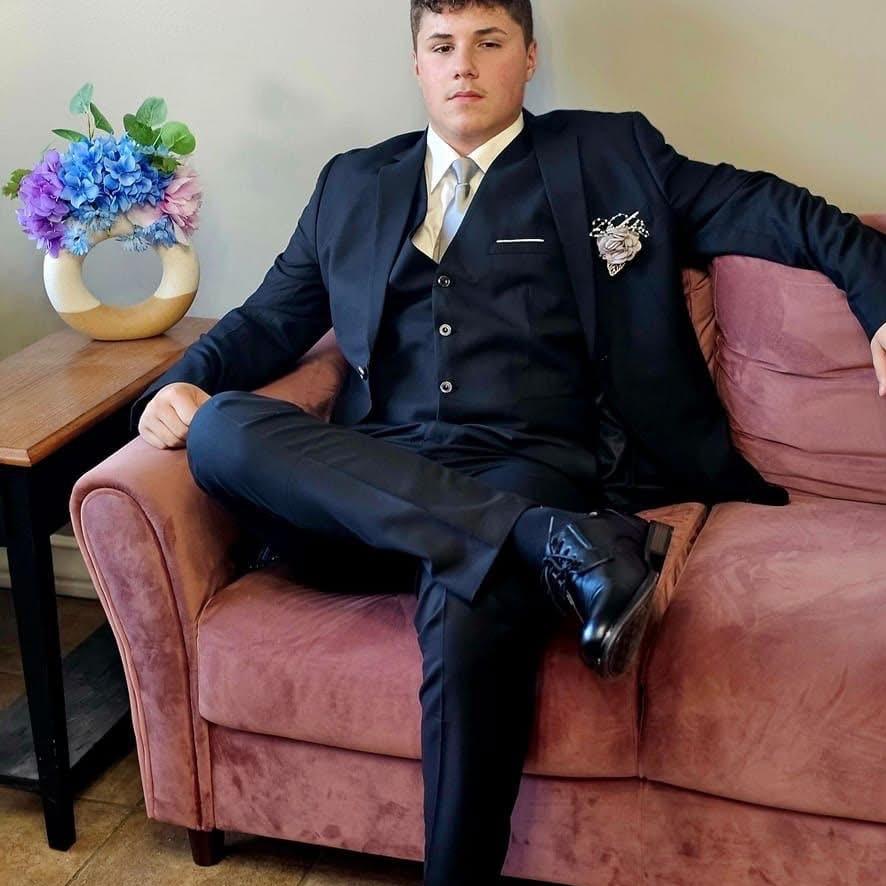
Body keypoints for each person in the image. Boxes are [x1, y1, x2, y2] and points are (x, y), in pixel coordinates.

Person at [128, 1, 886, 881]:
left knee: (471, 599)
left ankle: (524, 546)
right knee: (223, 425)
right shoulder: (352, 184)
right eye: (443, 46)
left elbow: (778, 209)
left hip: (531, 468)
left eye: (488, 43)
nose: (465, 65)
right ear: (417, 64)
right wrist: (181, 382)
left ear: (527, 57)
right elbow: (270, 317)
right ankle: (555, 546)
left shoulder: (610, 155)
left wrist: (882, 301)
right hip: (367, 490)